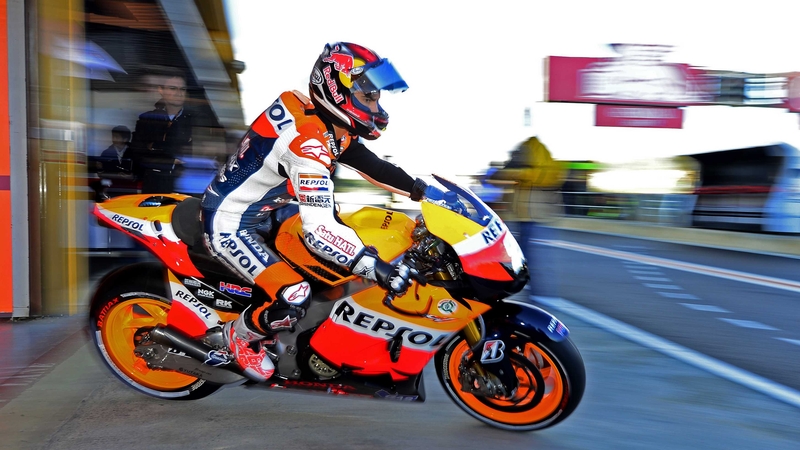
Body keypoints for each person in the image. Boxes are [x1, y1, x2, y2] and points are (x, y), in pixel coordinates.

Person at [200, 42, 436, 382]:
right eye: (369, 96)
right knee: (295, 294)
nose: (376, 105)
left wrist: (424, 191)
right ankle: (238, 336)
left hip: (270, 210)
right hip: (230, 222)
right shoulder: (307, 144)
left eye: (376, 97)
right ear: (338, 92)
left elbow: (372, 166)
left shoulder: (323, 120)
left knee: (333, 255)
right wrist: (376, 268)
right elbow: (319, 228)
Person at [488, 136, 566, 298]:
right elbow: (496, 178)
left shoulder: (542, 170)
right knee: (523, 257)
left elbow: (545, 176)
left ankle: (542, 294)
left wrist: (515, 174)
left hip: (536, 219)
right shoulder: (526, 167)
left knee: (534, 258)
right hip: (524, 218)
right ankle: (532, 289)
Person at [130, 67, 193, 194]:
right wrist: (171, 160)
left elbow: (192, 154)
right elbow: (137, 156)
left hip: (186, 190)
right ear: (161, 90)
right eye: (172, 88)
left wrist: (154, 147)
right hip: (154, 188)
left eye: (182, 89)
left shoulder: (194, 120)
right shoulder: (147, 119)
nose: (179, 93)